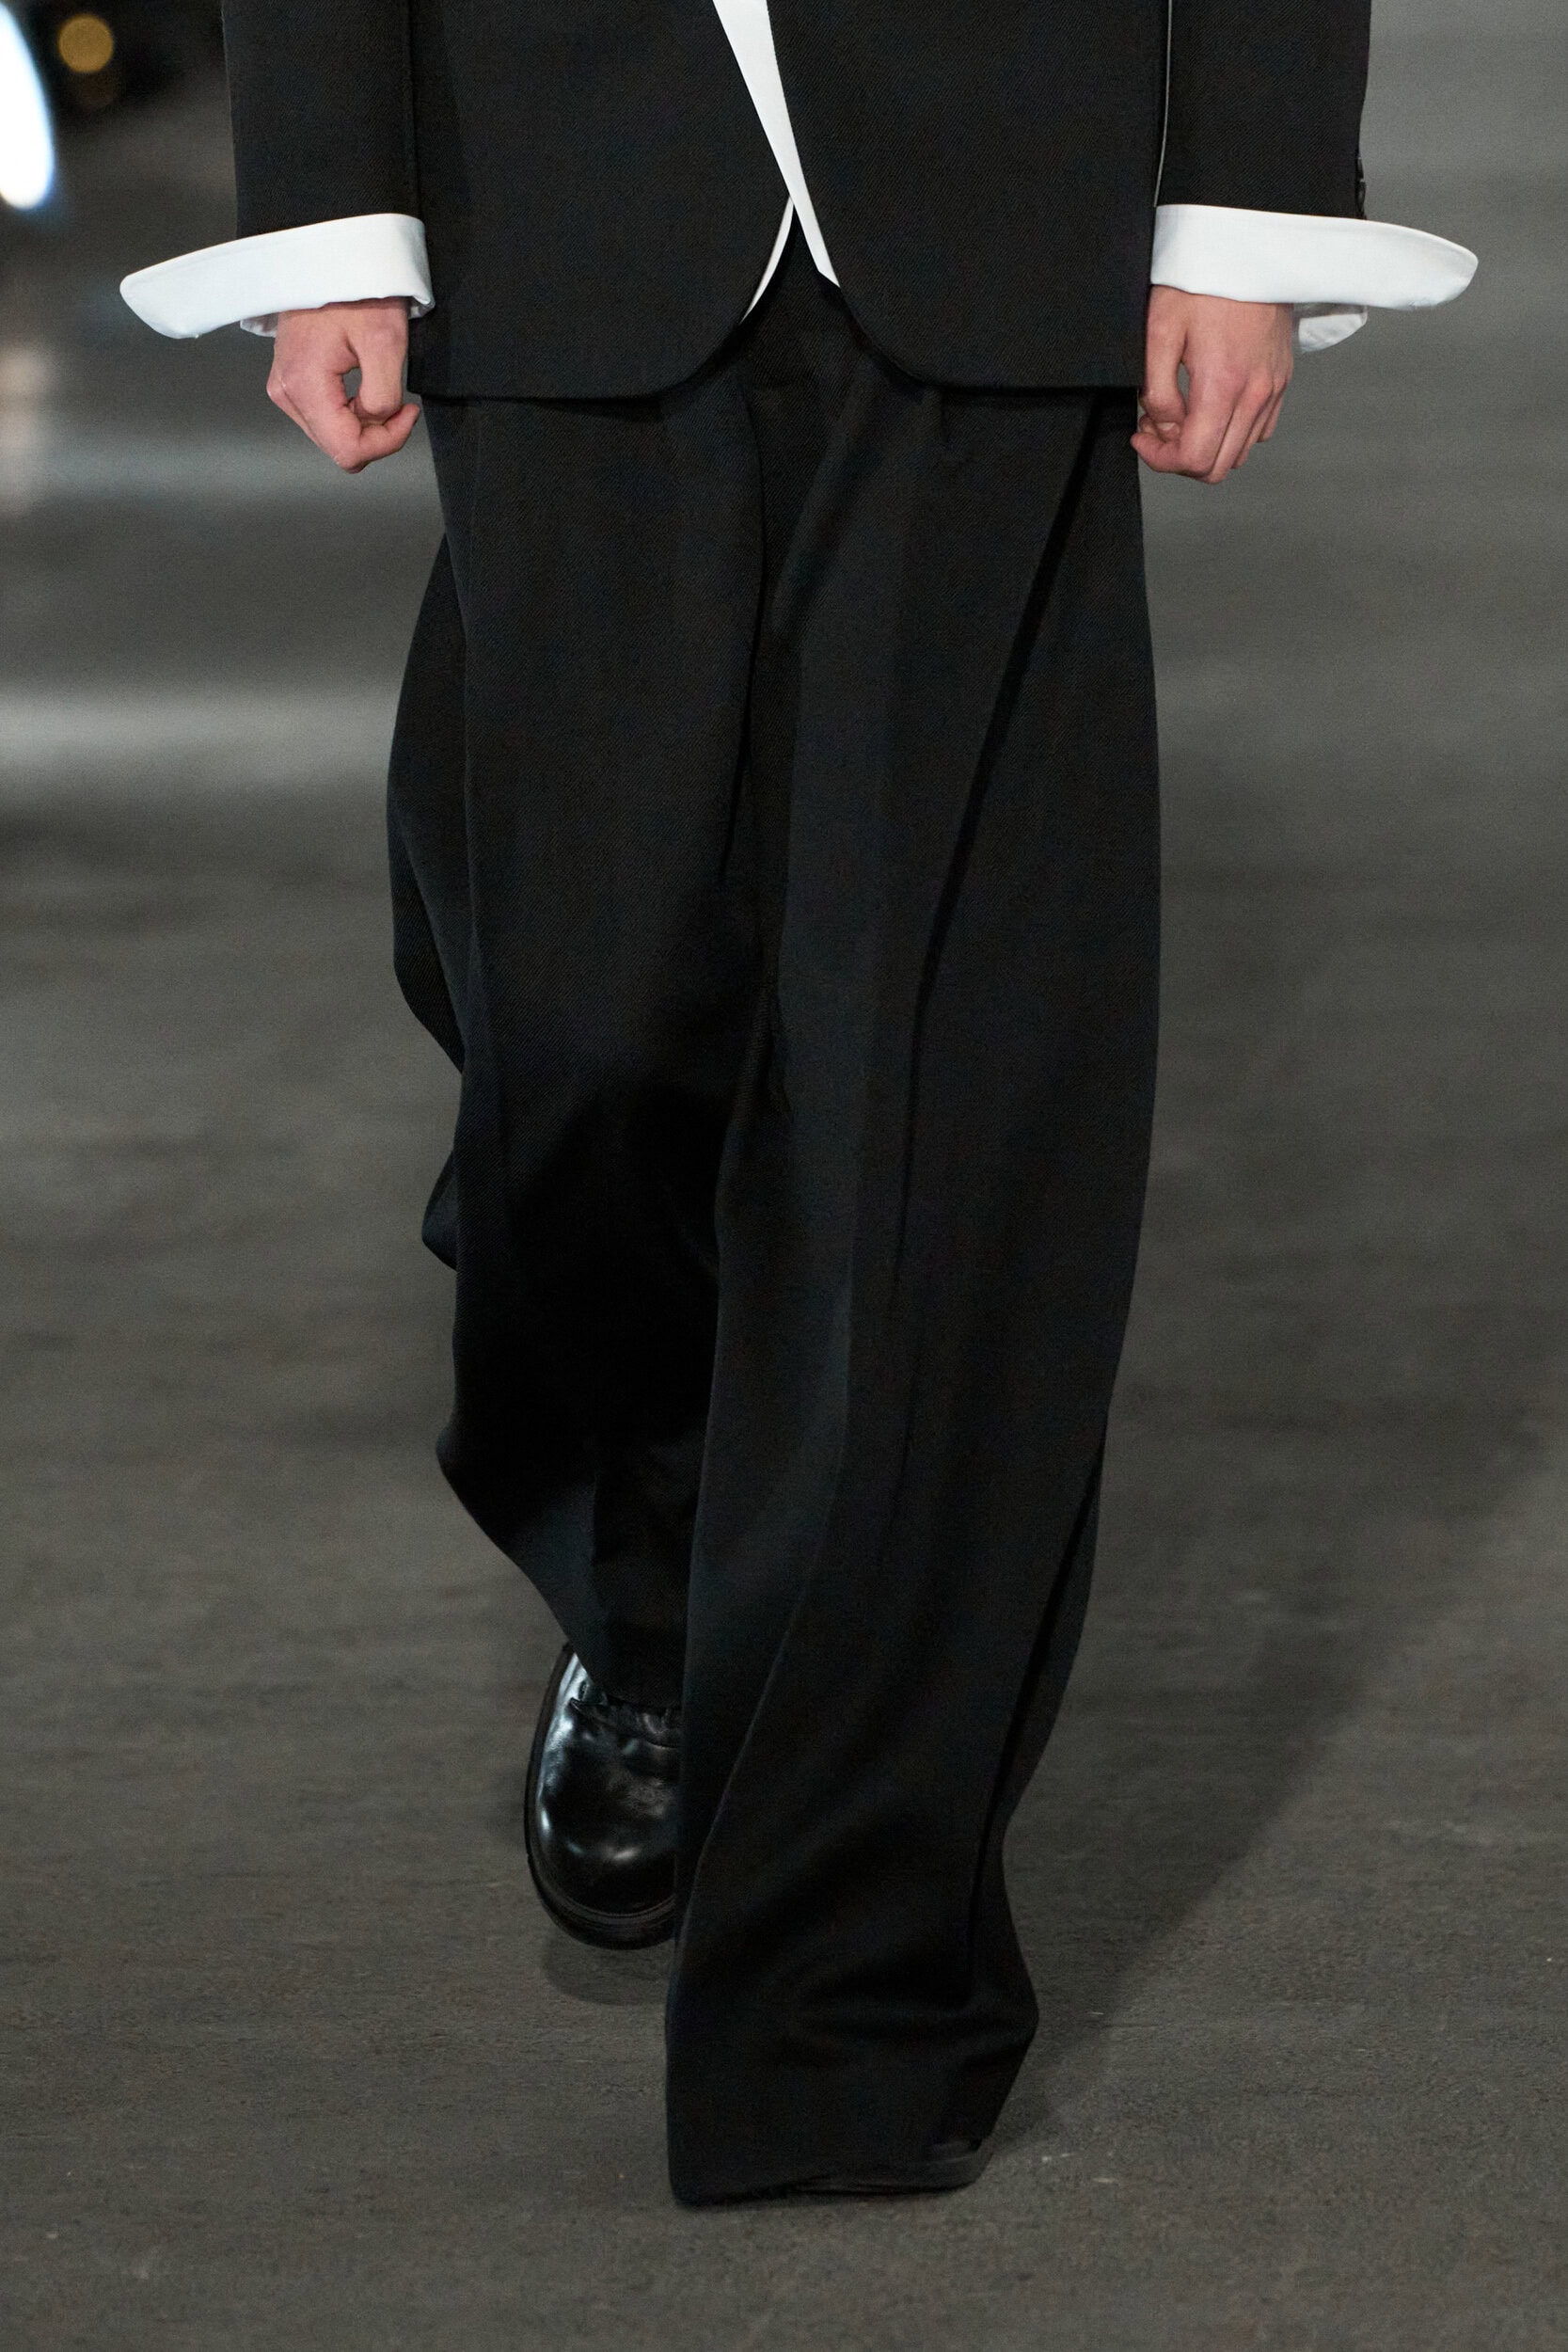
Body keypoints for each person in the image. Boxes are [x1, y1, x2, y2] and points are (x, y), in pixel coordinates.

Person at [122, 0, 1474, 2205]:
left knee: (924, 1102)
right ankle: (653, 1577)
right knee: (583, 1033)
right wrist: (331, 198)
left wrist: (1243, 196)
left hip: (995, 161)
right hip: (544, 156)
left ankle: (850, 1988)